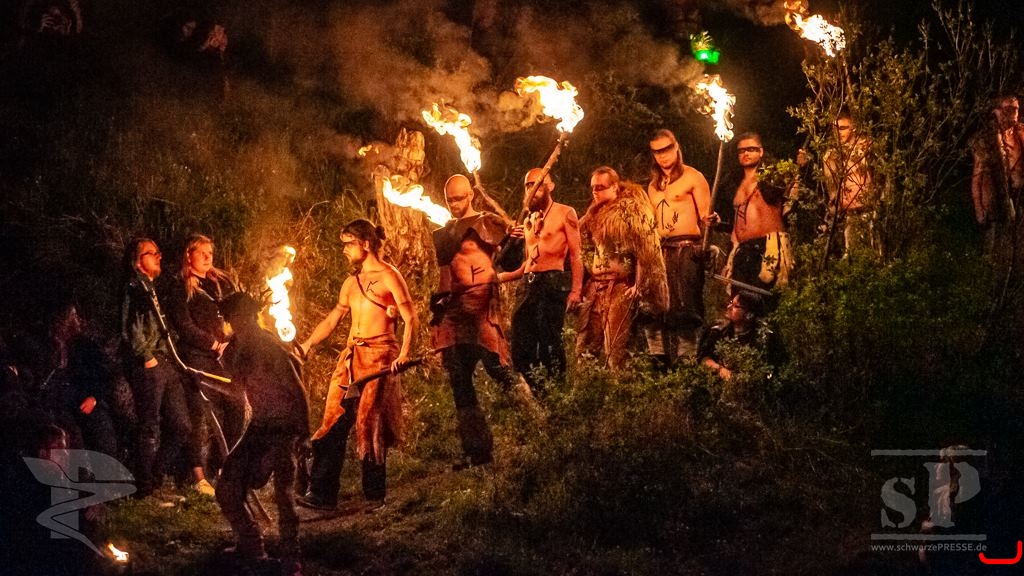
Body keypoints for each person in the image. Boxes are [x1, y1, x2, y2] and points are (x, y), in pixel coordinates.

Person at [296, 220, 416, 510]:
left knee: (369, 421)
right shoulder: (351, 283)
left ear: (365, 243)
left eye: (348, 243)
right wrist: (307, 344)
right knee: (333, 420)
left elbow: (410, 316)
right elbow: (333, 319)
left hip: (380, 355)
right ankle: (322, 493)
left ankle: (374, 496)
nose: (344, 250)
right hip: (352, 358)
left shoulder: (389, 276)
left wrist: (403, 353)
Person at [431, 174, 533, 469]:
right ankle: (477, 450)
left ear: (470, 196)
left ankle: (537, 427)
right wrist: (438, 308)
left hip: (482, 307)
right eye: (450, 200)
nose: (454, 204)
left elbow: (514, 262)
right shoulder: (444, 233)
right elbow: (445, 276)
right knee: (459, 380)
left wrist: (515, 243)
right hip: (455, 313)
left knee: (498, 368)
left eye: (459, 198)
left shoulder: (489, 222)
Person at [217, 293, 309, 572]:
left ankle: (292, 559)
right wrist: (201, 378)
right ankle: (251, 545)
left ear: (249, 315)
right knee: (227, 485)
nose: (233, 322)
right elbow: (236, 389)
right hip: (259, 426)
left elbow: (297, 390)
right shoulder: (238, 349)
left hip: (283, 427)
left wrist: (304, 433)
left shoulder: (270, 347)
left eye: (236, 316)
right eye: (230, 318)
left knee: (284, 495)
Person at [164, 233, 240, 496]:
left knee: (235, 405)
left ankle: (223, 466)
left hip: (223, 356)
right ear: (189, 255)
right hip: (196, 357)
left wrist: (230, 340)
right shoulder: (180, 287)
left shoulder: (217, 283)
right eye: (202, 253)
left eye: (211, 253)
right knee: (199, 413)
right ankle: (198, 475)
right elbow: (183, 325)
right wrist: (212, 343)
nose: (208, 257)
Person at [121, 237, 195, 503]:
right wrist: (146, 356)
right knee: (150, 426)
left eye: (158, 252)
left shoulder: (151, 288)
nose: (158, 256)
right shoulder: (134, 288)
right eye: (152, 253)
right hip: (150, 363)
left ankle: (155, 477)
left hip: (165, 362)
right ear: (138, 261)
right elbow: (130, 328)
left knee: (182, 426)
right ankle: (145, 488)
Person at [497, 168, 583, 393]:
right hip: (528, 285)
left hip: (552, 284)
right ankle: (538, 395)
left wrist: (576, 290)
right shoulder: (528, 220)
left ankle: (557, 397)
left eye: (536, 184)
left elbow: (576, 255)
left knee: (549, 344)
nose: (531, 189)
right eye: (527, 185)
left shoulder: (565, 213)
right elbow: (528, 263)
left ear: (550, 186)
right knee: (520, 346)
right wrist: (500, 277)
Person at [576, 166, 668, 371]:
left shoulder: (631, 212)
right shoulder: (593, 215)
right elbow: (584, 248)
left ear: (615, 187)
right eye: (593, 187)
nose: (595, 192)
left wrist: (638, 284)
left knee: (616, 347)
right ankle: (588, 386)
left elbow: (645, 250)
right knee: (586, 344)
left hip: (618, 287)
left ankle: (620, 385)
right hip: (595, 287)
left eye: (600, 187)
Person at [645, 129, 712, 366]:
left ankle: (687, 363)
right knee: (654, 306)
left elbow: (706, 217)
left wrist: (707, 240)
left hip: (686, 248)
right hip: (660, 250)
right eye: (657, 152)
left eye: (666, 149)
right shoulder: (653, 186)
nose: (662, 155)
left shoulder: (693, 177)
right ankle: (659, 361)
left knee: (686, 305)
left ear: (676, 147)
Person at [725, 132, 794, 294]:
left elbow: (790, 192)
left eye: (751, 149)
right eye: (741, 151)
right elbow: (734, 223)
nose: (746, 153)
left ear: (761, 151)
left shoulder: (773, 176)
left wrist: (802, 167)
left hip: (768, 247)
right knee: (738, 301)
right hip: (741, 249)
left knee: (763, 299)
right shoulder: (735, 184)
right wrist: (730, 254)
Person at [971, 93, 1024, 252]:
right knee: (993, 248)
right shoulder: (986, 140)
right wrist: (979, 209)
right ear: (998, 112)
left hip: (1020, 202)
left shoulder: (1021, 134)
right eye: (1009, 109)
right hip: (995, 206)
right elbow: (977, 177)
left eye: (1016, 109)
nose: (1014, 113)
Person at [823, 109, 876, 259]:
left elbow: (878, 172)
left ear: (852, 127)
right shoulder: (830, 155)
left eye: (843, 128)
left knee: (873, 252)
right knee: (850, 255)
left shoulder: (864, 146)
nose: (838, 132)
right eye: (835, 129)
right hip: (848, 212)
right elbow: (831, 186)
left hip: (868, 208)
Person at [698, 292, 783, 382]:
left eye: (736, 306)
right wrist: (720, 370)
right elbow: (704, 357)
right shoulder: (718, 331)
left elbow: (775, 366)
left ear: (749, 314)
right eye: (731, 303)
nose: (729, 307)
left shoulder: (764, 337)